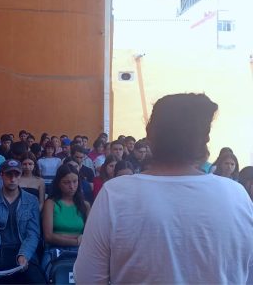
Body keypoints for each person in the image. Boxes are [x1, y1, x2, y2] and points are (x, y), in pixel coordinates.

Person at [74, 93, 253, 284]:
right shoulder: (237, 196)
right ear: (205, 139)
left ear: (150, 134)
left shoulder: (115, 195)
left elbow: (88, 278)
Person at [0, 159, 45, 284]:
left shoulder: (31, 201)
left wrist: (25, 254)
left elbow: (33, 234)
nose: (13, 179)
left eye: (16, 175)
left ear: (20, 175)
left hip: (22, 249)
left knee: (38, 281)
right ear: (1, 175)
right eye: (8, 174)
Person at [41, 163, 90, 275]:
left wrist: (77, 241)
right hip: (55, 251)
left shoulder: (85, 205)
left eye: (75, 181)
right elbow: (48, 236)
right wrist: (77, 240)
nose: (72, 186)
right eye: (66, 182)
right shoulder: (51, 203)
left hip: (80, 251)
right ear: (58, 183)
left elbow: (89, 235)